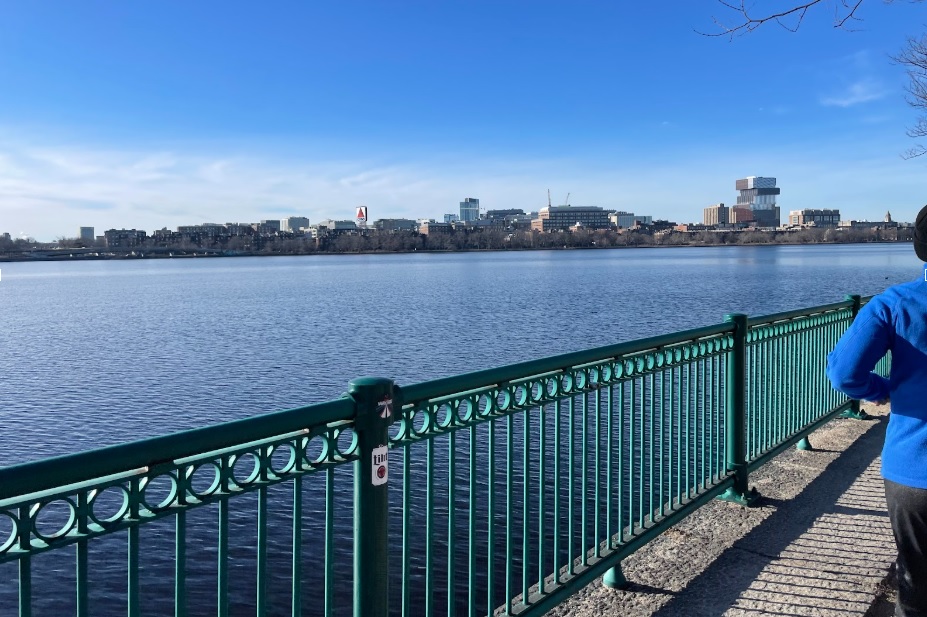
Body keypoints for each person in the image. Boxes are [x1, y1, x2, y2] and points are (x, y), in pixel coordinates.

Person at [827, 204, 927, 617]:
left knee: (916, 585)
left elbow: (845, 372)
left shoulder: (895, 304)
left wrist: (883, 389)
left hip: (915, 470)